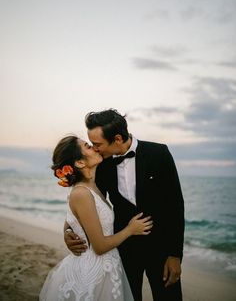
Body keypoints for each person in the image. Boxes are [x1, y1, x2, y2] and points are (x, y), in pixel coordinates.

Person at [64, 109, 185, 301]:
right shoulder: (100, 164)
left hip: (161, 249)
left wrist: (175, 255)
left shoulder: (159, 153)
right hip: (123, 250)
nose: (95, 149)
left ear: (118, 139)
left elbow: (175, 206)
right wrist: (69, 232)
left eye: (97, 144)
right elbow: (89, 203)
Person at [39, 135, 153, 301]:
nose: (94, 147)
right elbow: (99, 246)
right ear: (79, 163)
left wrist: (68, 230)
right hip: (94, 269)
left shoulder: (91, 187)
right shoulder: (81, 193)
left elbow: (73, 220)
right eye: (87, 146)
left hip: (107, 267)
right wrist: (130, 230)